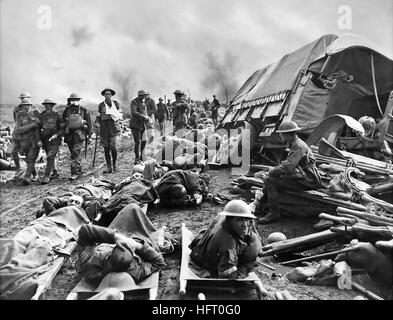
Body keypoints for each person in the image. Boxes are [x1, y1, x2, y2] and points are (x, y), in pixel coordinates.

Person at [75, 203, 166, 284]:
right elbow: (160, 263)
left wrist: (116, 237)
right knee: (135, 212)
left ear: (109, 256)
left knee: (132, 209)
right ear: (132, 259)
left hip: (115, 238)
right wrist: (138, 246)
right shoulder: (134, 272)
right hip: (136, 240)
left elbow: (84, 231)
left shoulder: (90, 264)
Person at [256, 121, 322, 224]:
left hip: (309, 180)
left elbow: (287, 167)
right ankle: (260, 206)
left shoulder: (298, 146)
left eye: (281, 134)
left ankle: (273, 213)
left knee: (270, 180)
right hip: (302, 177)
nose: (281, 136)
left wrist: (272, 171)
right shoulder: (295, 144)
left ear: (286, 134)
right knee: (271, 178)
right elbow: (289, 165)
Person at [189, 199, 262, 279]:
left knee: (254, 245)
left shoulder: (227, 220)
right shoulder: (227, 243)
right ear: (230, 221)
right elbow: (229, 275)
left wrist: (255, 249)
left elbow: (254, 238)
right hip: (204, 259)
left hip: (211, 243)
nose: (245, 225)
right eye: (240, 220)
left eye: (247, 219)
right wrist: (248, 266)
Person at [11, 98, 42, 185]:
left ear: (30, 106)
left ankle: (27, 177)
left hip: (34, 140)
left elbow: (39, 127)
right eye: (24, 105)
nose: (26, 107)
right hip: (23, 141)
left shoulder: (35, 114)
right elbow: (18, 130)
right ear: (21, 106)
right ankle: (34, 174)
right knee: (28, 159)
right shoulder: (19, 116)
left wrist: (39, 140)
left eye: (28, 105)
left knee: (31, 158)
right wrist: (32, 125)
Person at [62, 93, 92, 180]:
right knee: (74, 154)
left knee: (75, 152)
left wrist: (89, 136)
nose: (74, 102)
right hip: (69, 135)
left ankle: (74, 173)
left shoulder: (83, 110)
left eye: (76, 100)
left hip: (79, 135)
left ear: (79, 100)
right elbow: (63, 120)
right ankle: (79, 170)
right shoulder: (67, 110)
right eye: (72, 100)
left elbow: (89, 124)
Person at [96, 88, 123, 174]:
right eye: (106, 94)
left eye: (109, 94)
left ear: (111, 95)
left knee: (113, 146)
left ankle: (115, 165)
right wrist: (97, 122)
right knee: (106, 148)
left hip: (113, 128)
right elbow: (98, 116)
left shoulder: (115, 103)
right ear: (104, 95)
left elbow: (119, 114)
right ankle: (109, 167)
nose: (108, 95)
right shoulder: (101, 105)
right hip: (104, 128)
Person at [38, 98, 65, 184]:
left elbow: (62, 128)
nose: (48, 107)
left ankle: (46, 176)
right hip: (45, 140)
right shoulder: (41, 116)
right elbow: (38, 129)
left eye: (49, 105)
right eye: (46, 105)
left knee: (50, 156)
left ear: (52, 106)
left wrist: (56, 135)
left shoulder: (57, 116)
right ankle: (55, 172)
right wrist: (39, 139)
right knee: (50, 156)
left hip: (55, 140)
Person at [129, 90, 151, 164]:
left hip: (142, 124)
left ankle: (142, 156)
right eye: (143, 95)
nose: (144, 96)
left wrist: (147, 117)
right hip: (135, 124)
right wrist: (143, 117)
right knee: (137, 142)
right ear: (140, 95)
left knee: (144, 140)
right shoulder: (134, 102)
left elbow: (144, 112)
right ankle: (137, 158)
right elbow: (133, 112)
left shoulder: (143, 102)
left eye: (145, 95)